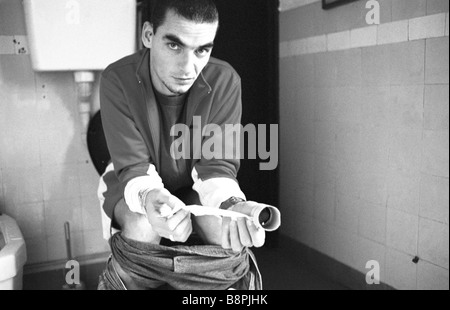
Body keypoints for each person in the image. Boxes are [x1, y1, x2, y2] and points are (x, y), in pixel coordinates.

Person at [97, 0, 273, 290]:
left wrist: (232, 204)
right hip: (129, 177)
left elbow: (216, 166)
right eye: (174, 46)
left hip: (193, 180)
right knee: (142, 226)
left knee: (224, 232)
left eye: (202, 50)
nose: (188, 67)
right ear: (148, 35)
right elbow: (134, 167)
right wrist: (149, 198)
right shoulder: (117, 78)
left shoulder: (224, 80)